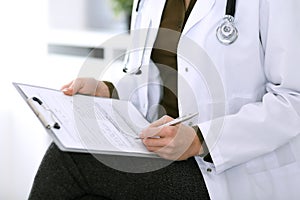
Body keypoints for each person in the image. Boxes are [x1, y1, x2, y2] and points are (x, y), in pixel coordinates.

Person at [28, 0, 300, 199]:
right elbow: (159, 76)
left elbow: (293, 100)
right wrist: (109, 92)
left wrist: (200, 140)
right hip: (163, 152)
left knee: (71, 161)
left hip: (235, 174)